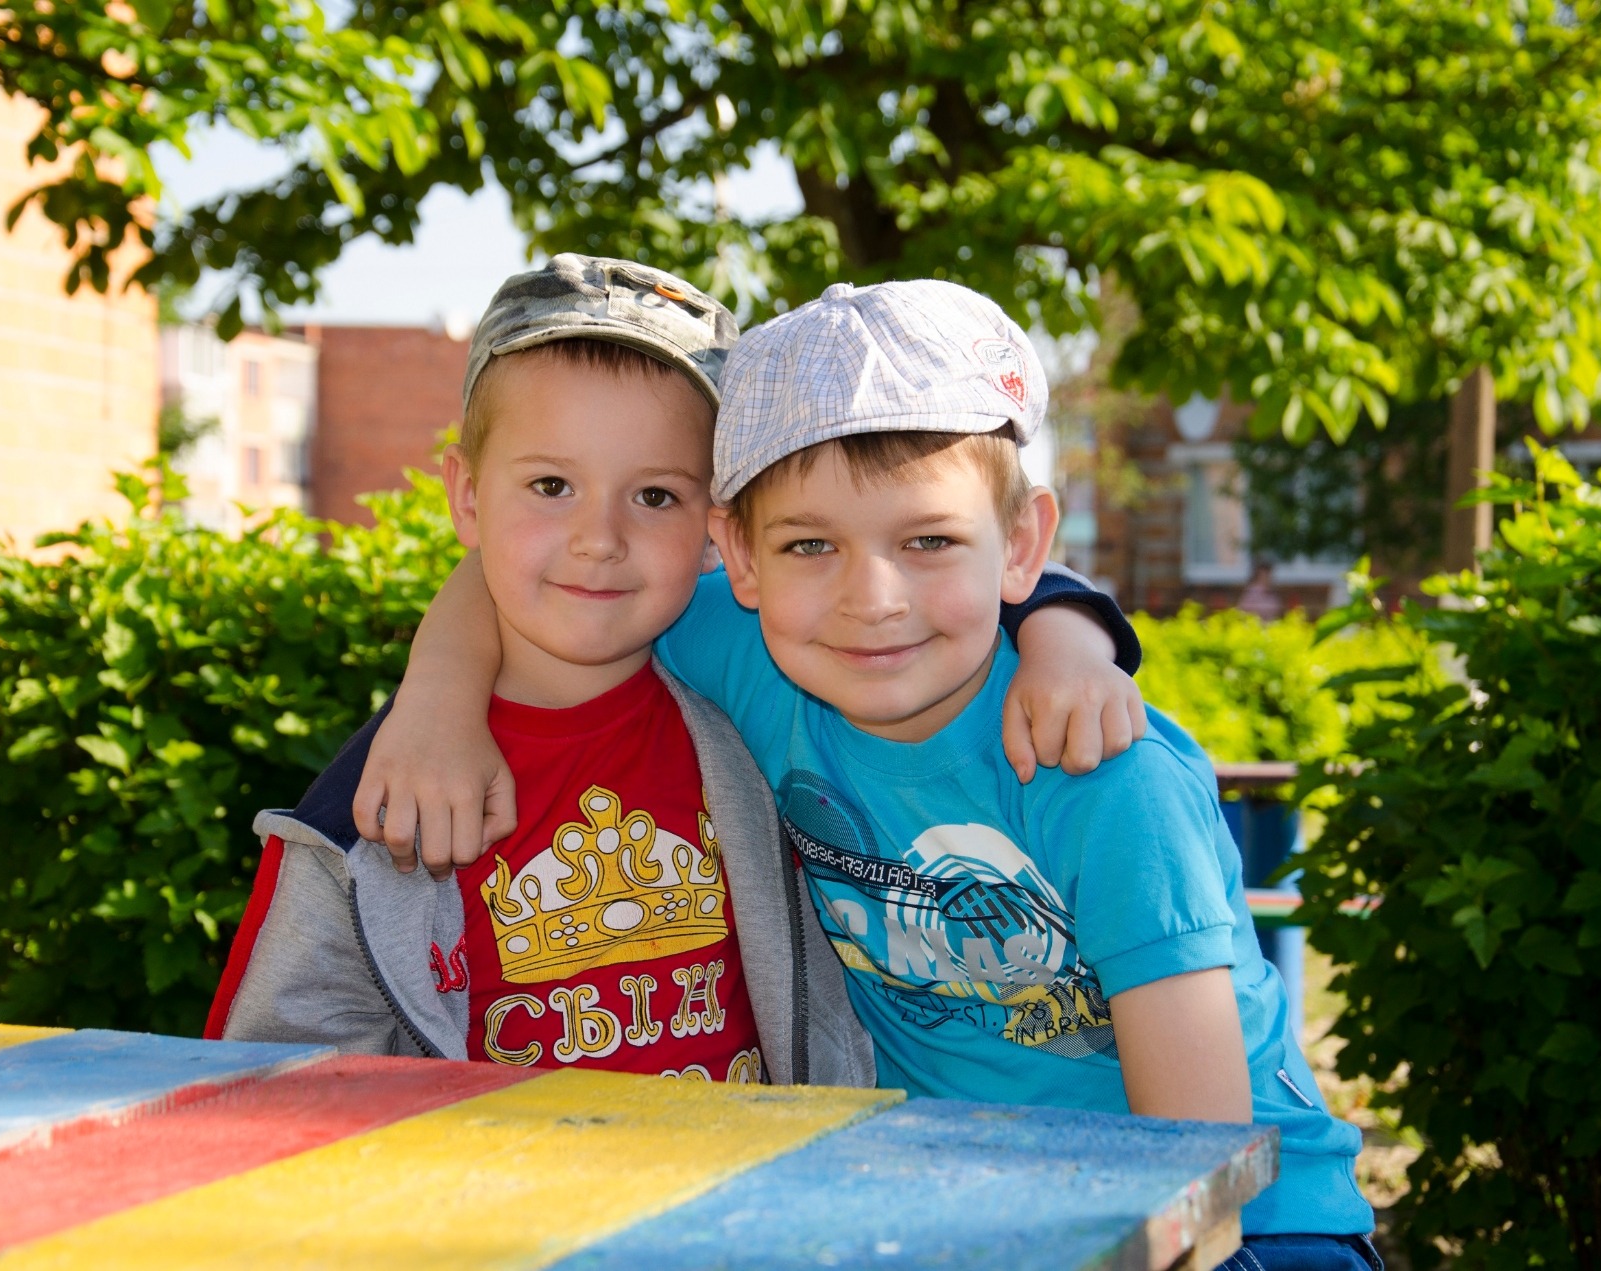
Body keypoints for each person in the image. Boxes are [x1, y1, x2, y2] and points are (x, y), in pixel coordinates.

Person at [368, 278, 1378, 1268]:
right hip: (965, 1204)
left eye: (928, 540)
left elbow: (1195, 1182)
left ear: (1023, 543)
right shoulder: (750, 653)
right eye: (810, 544)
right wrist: (437, 698)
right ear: (741, 558)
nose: (873, 599)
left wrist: (1068, 634)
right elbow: (530, 579)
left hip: (1258, 1221)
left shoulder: (1105, 775)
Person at [206, 257, 1143, 1090]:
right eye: (550, 485)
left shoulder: (752, 684)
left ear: (717, 531)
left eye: (656, 494)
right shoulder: (374, 805)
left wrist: (1065, 631)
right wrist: (439, 691)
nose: (599, 538)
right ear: (465, 495)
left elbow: (941, 555)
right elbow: (268, 1087)